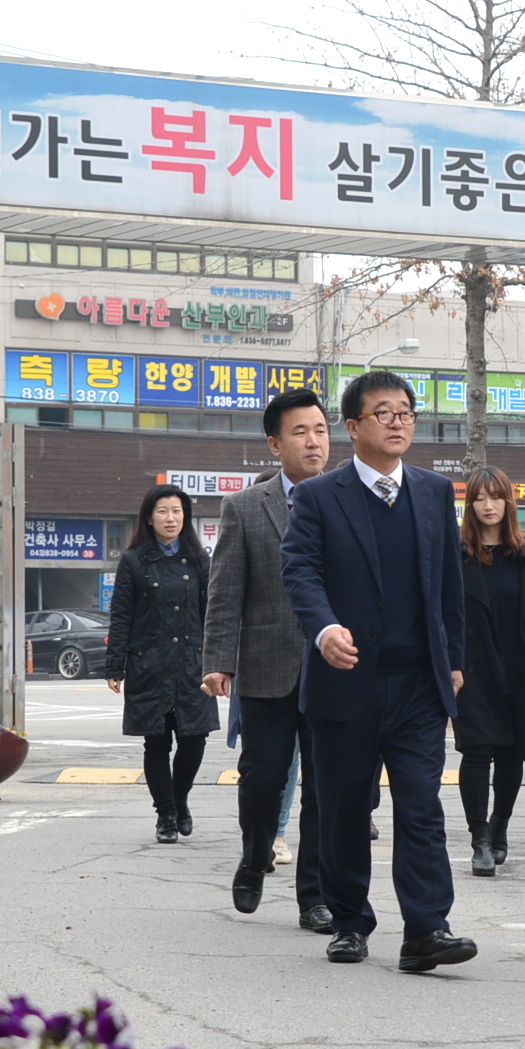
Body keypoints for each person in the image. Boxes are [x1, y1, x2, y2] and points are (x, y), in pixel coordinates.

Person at [280, 370, 476, 973]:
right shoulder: (318, 496)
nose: (398, 422)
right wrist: (324, 628)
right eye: (383, 412)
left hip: (418, 682)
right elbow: (301, 573)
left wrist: (457, 660)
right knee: (342, 806)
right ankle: (348, 920)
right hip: (346, 680)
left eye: (406, 412)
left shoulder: (434, 492)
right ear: (354, 425)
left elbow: (448, 584)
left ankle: (427, 929)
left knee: (421, 805)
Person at [202, 389, 330, 928]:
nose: (314, 441)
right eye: (300, 432)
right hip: (265, 666)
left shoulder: (346, 499)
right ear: (275, 444)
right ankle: (255, 857)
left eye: (321, 430)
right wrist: (218, 659)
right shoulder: (244, 507)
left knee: (327, 787)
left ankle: (315, 896)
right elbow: (226, 589)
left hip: (334, 670)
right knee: (262, 779)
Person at [106, 484, 219, 843]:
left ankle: (179, 798)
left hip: (192, 664)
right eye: (163, 512)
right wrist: (114, 667)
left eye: (177, 511)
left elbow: (214, 614)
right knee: (156, 742)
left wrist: (220, 660)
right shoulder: (134, 561)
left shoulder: (200, 560)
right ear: (149, 518)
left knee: (194, 739)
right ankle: (166, 815)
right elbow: (121, 615)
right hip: (149, 665)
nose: (171, 518)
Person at [454, 468, 525, 878]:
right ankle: (478, 838)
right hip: (474, 669)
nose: (488, 506)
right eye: (480, 498)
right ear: (470, 505)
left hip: (521, 670)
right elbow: (444, 614)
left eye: (496, 497)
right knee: (476, 752)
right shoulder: (457, 556)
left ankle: (500, 827)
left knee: (513, 754)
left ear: (509, 502)